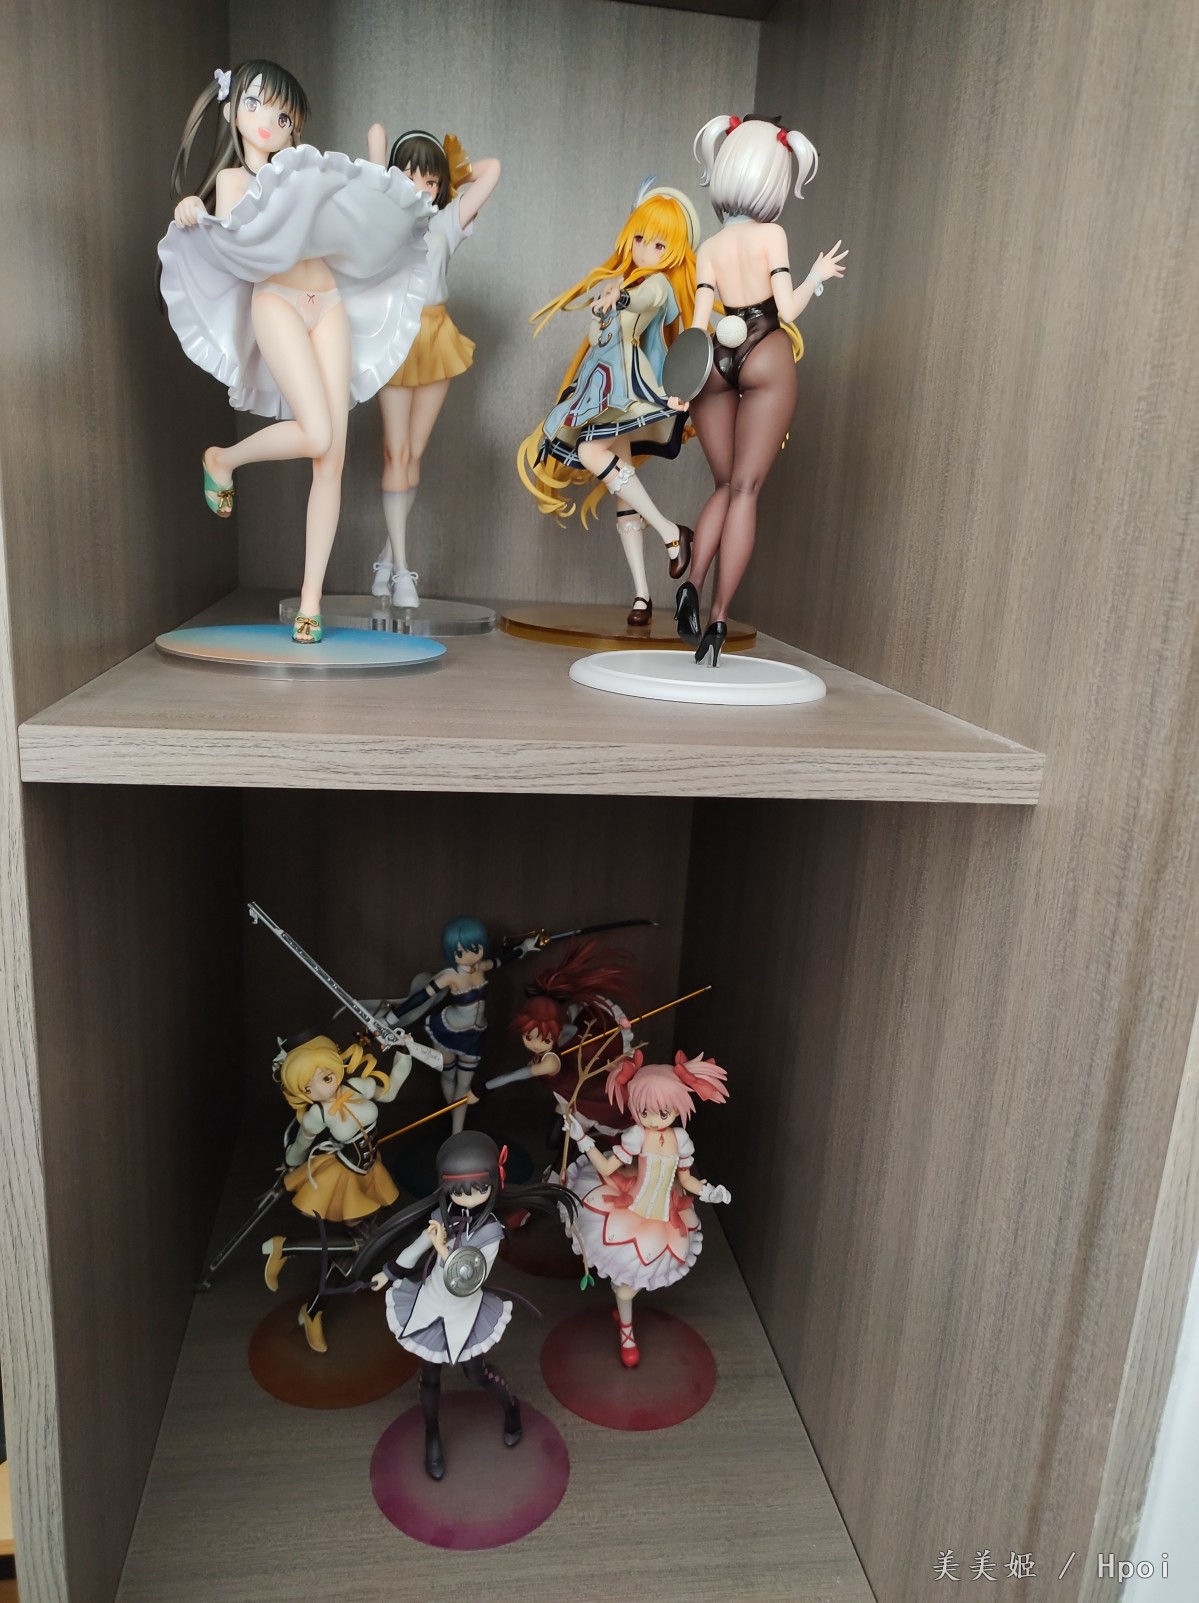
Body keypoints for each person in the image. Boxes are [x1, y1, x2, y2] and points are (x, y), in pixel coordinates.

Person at [159, 60, 432, 642]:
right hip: (277, 302)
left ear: (295, 128)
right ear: (232, 111)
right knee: (318, 434)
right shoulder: (235, 181)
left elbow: (346, 218)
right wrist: (194, 213)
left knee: (331, 458)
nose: (267, 121)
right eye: (254, 105)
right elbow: (233, 242)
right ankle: (223, 459)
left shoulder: (304, 170)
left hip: (327, 302)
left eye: (282, 116)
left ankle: (312, 600)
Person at [677, 115, 847, 664]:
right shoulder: (772, 236)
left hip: (715, 358)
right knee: (746, 490)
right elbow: (788, 309)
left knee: (724, 485)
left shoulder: (710, 247)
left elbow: (697, 326)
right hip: (764, 347)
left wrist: (681, 385)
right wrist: (816, 276)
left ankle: (691, 585)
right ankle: (719, 619)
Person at [518, 187, 699, 625]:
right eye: (640, 238)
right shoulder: (623, 281)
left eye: (660, 245)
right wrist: (608, 299)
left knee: (589, 451)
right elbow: (600, 335)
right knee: (621, 490)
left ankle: (671, 533)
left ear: (675, 251)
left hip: (626, 389)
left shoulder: (657, 285)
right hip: (599, 387)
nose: (646, 250)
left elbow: (647, 300)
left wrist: (619, 298)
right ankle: (642, 596)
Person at [354, 1131, 581, 1479]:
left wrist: (442, 1248)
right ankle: (432, 1436)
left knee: (476, 1373)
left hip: (464, 1310)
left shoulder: (491, 1232)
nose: (469, 1197)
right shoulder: (442, 1215)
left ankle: (511, 1409)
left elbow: (468, 1277)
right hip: (431, 1301)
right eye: (458, 1190)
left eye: (479, 1188)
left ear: (494, 1183)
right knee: (429, 1375)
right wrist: (386, 1274)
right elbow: (416, 1248)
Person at [366, 126, 502, 609]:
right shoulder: (381, 217)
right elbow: (373, 170)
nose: (420, 187)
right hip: (396, 337)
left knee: (415, 454)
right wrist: (385, 168)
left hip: (436, 334)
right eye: (410, 176)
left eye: (429, 180)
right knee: (396, 452)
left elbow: (492, 170)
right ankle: (403, 570)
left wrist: (450, 172)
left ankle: (388, 558)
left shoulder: (448, 220)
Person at [561, 1049, 731, 1367]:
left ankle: (623, 1311)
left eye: (663, 1112)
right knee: (626, 1289)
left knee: (633, 1281)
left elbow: (687, 1180)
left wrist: (709, 1192)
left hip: (664, 1219)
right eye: (644, 1111)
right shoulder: (637, 1135)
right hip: (629, 1212)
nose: (653, 1119)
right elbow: (607, 1168)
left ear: (678, 1108)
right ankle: (627, 1331)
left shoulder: (680, 1140)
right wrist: (582, 1138)